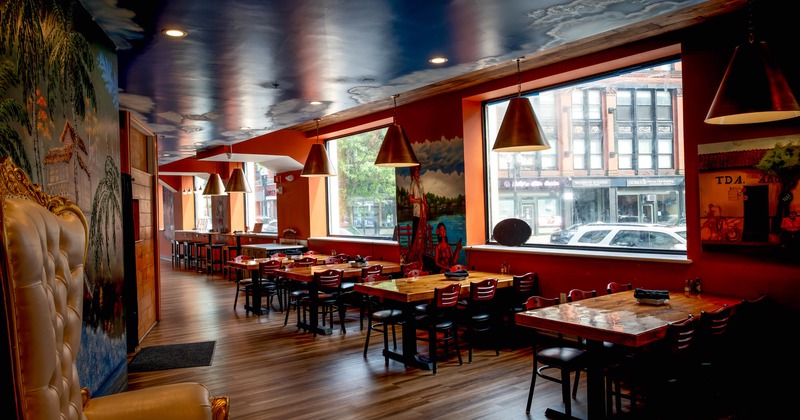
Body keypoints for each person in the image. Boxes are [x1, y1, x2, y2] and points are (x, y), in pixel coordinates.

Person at [408, 166, 427, 244]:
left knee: (423, 232)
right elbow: (410, 199)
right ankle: (414, 250)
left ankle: (422, 250)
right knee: (415, 233)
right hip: (416, 212)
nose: (417, 171)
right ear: (413, 171)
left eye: (418, 169)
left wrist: (425, 204)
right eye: (415, 170)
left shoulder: (421, 182)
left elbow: (423, 194)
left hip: (422, 211)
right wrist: (417, 201)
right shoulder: (412, 184)